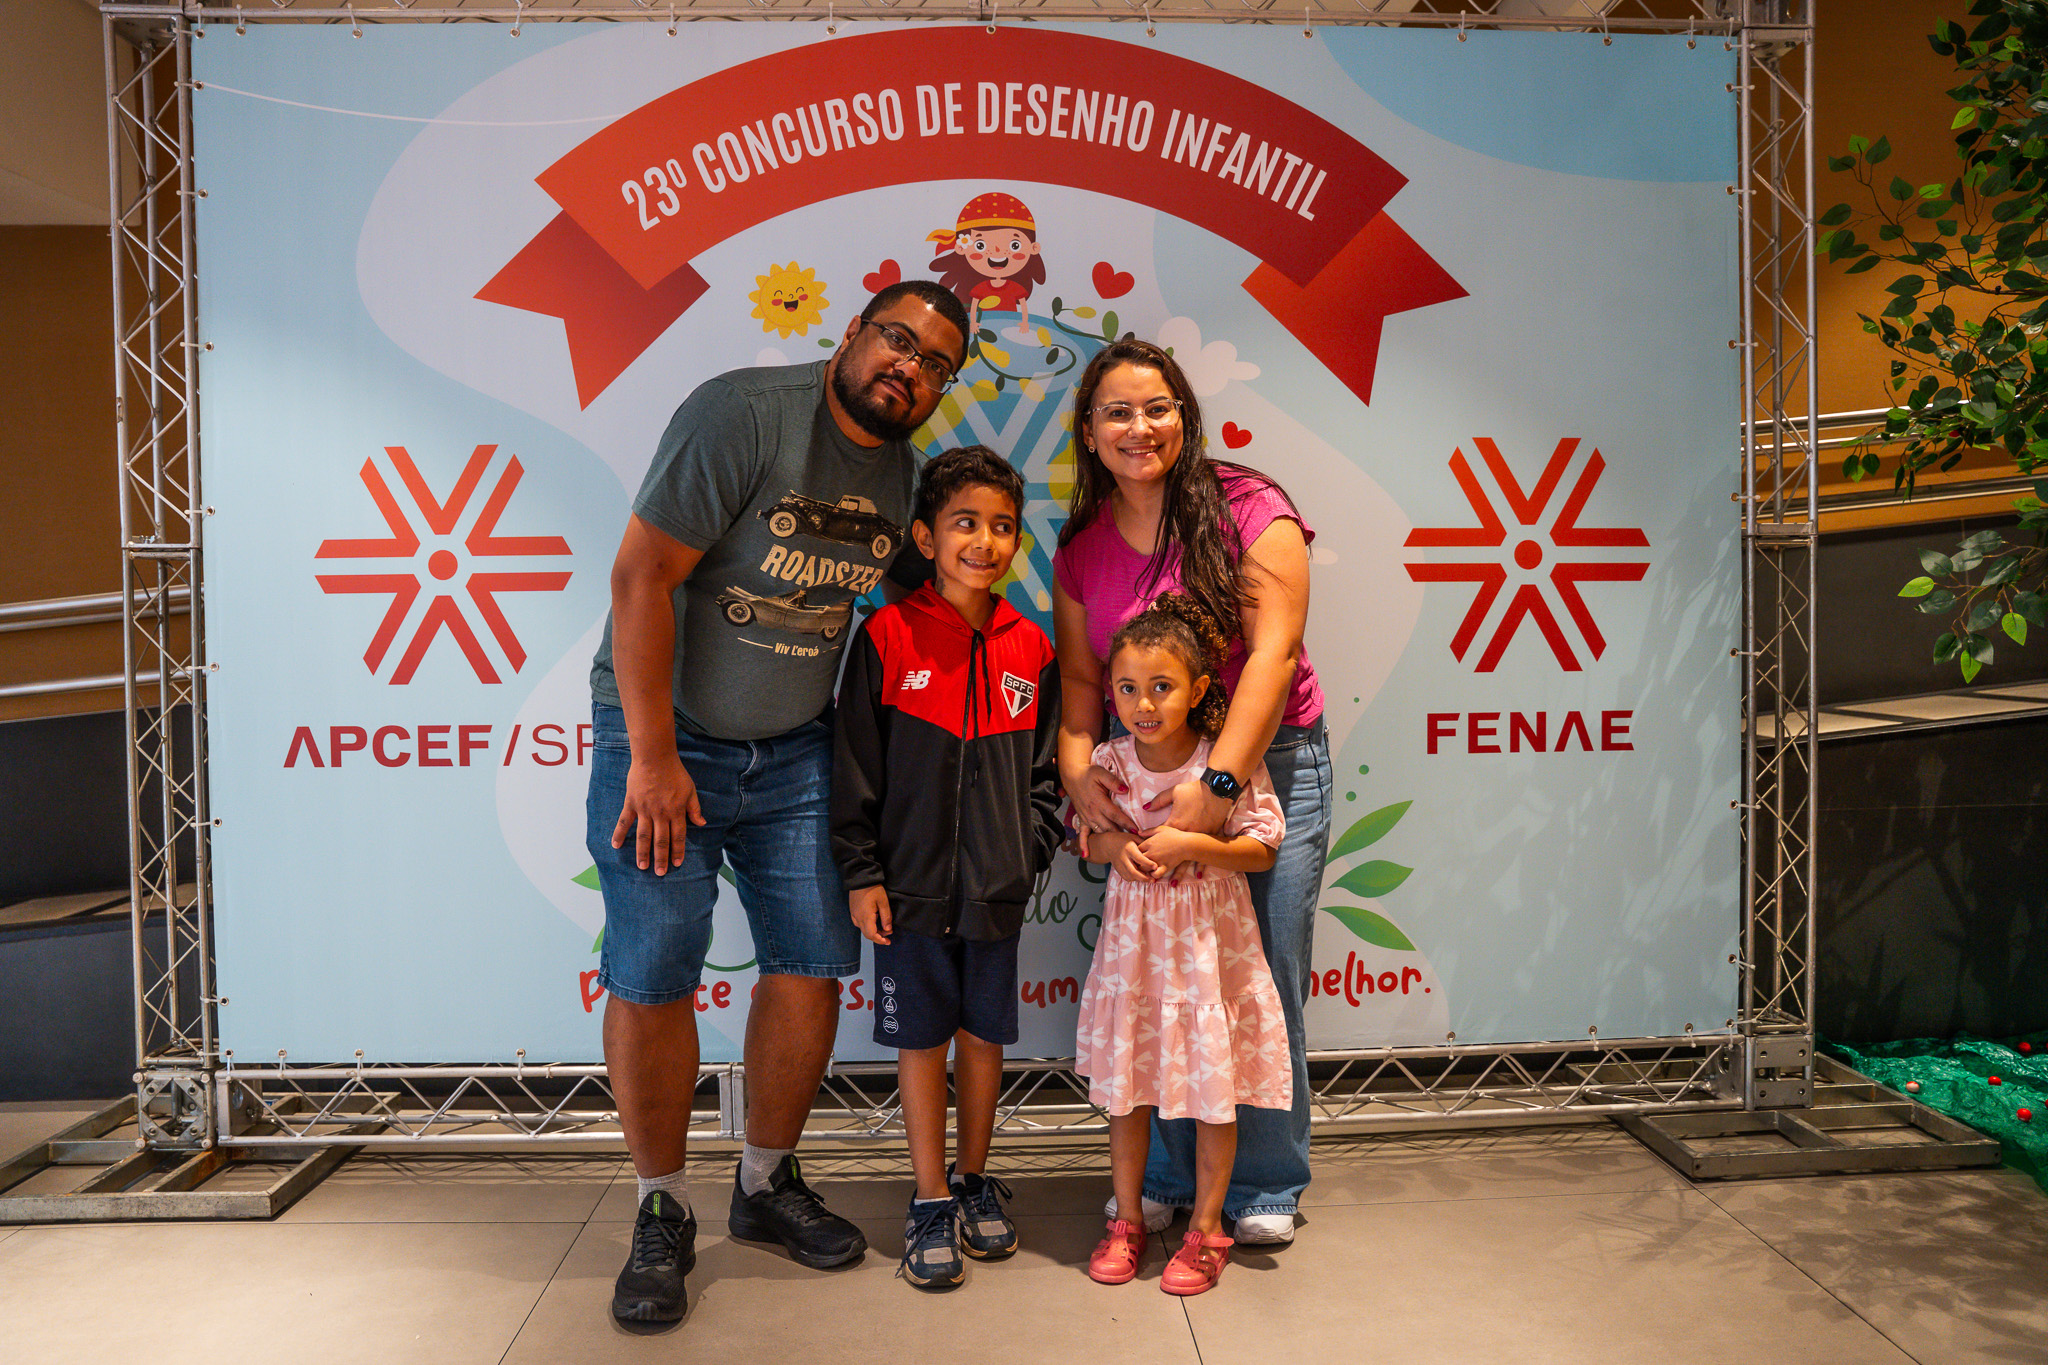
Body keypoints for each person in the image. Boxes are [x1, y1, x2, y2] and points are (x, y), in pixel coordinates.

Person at [587, 280, 969, 1325]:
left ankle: (764, 1182)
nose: (910, 368)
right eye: (898, 341)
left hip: (798, 746)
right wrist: (654, 758)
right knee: (656, 965)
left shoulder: (901, 476)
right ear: (852, 333)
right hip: (666, 734)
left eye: (935, 363)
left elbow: (919, 602)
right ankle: (661, 1206)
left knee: (810, 962)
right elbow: (641, 578)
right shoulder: (742, 414)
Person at [1050, 337, 1329, 1247]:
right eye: (1117, 412)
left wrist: (1218, 781)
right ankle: (1167, 1181)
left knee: (1257, 977)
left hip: (1269, 761)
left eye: (1157, 407)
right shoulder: (1082, 544)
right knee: (1163, 981)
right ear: (1088, 431)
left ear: (1185, 415)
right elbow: (1081, 685)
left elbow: (1273, 658)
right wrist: (1080, 776)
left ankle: (1264, 1181)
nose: (1140, 428)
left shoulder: (1250, 507)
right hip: (1148, 774)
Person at [832, 445, 1064, 1290]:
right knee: (922, 1043)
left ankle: (972, 1179)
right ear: (926, 538)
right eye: (966, 522)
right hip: (909, 895)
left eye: (1002, 526)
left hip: (995, 894)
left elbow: (1045, 778)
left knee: (983, 1038)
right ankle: (929, 1196)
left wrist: (1025, 852)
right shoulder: (886, 637)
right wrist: (863, 872)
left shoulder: (1031, 647)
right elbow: (855, 769)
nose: (985, 541)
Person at [1075, 594, 1290, 1296]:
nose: (1143, 704)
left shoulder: (1219, 762)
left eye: (1161, 687)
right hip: (1135, 957)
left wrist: (1192, 844)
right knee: (1128, 1092)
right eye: (1127, 688)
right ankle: (1127, 1219)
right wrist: (1113, 847)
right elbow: (1087, 837)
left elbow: (1262, 846)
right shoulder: (1108, 760)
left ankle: (1206, 1227)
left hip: (1206, 955)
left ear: (1197, 690)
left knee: (1214, 1092)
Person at [926, 191, 1046, 340]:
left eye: (1015, 245)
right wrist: (974, 323)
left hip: (1010, 326)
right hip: (985, 327)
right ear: (962, 248)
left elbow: (1022, 306)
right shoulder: (981, 288)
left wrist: (1024, 323)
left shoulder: (1014, 287)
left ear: (1033, 248)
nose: (997, 252)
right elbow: (974, 306)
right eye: (980, 245)